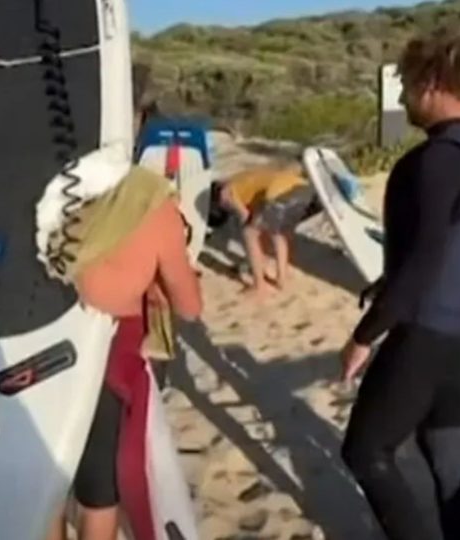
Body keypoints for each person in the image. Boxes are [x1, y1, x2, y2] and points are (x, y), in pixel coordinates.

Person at [40, 99, 202, 540]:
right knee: (98, 494)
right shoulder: (151, 203)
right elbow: (189, 305)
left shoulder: (52, 189)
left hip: (43, 347)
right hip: (109, 356)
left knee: (48, 489)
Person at [339, 25, 460, 540]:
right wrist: (388, 282)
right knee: (450, 455)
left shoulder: (435, 159)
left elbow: (427, 257)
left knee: (366, 452)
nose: (405, 96)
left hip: (427, 331)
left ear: (433, 82)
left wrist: (364, 336)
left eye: (410, 83)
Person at [216, 160, 314, 298]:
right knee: (278, 234)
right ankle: (281, 279)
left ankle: (259, 286)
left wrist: (243, 218)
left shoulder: (226, 193)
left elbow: (245, 217)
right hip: (303, 191)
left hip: (277, 193)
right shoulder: (244, 180)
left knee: (249, 234)